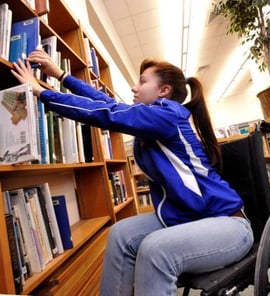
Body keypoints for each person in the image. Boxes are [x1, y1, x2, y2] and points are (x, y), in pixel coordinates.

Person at [11, 50, 254, 296]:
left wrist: (42, 92)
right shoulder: (151, 119)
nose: (134, 87)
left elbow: (106, 114)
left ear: (164, 91)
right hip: (188, 218)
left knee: (154, 249)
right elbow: (107, 103)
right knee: (120, 234)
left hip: (227, 224)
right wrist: (62, 75)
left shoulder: (167, 115)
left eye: (143, 81)